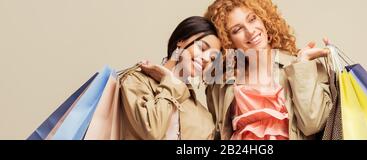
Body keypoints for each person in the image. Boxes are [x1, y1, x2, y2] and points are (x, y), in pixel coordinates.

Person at [204, 0, 339, 140]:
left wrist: (303, 65)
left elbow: (313, 124)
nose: (250, 32)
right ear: (227, 40)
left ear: (264, 19)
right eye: (237, 30)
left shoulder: (301, 67)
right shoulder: (222, 86)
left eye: (252, 19)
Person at [119, 16, 221, 140]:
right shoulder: (136, 81)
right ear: (181, 41)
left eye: (212, 59)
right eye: (202, 48)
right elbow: (151, 131)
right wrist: (172, 82)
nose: (206, 58)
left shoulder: (205, 120)